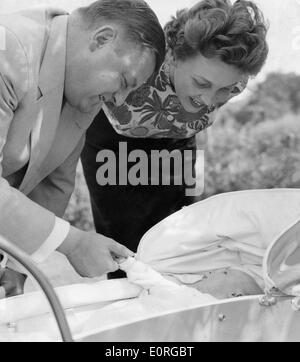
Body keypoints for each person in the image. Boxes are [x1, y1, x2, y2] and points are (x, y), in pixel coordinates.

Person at [81, 0, 269, 278]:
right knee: (125, 240)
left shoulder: (234, 78)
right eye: (201, 83)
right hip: (113, 141)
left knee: (178, 233)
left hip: (176, 142)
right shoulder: (143, 60)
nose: (208, 100)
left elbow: (199, 130)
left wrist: (195, 181)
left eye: (225, 90)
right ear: (173, 58)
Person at [0, 0, 166, 295]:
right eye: (125, 81)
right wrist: (74, 242)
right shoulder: (9, 48)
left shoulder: (84, 91)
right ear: (102, 39)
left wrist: (18, 267)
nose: (120, 100)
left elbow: (54, 182)